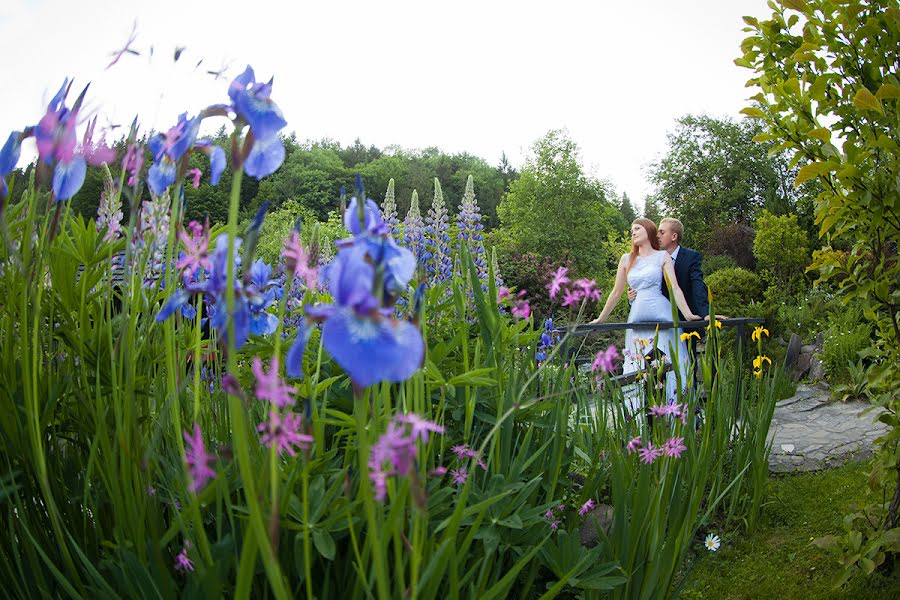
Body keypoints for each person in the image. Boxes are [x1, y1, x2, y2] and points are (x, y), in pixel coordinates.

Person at [590, 218, 701, 411]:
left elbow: (674, 288)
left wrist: (688, 314)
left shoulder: (662, 257)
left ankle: (673, 415)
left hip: (662, 316)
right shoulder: (626, 259)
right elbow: (616, 292)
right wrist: (601, 318)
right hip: (637, 320)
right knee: (637, 365)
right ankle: (638, 419)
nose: (632, 232)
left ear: (648, 231)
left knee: (669, 366)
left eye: (637, 229)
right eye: (632, 230)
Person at [628, 217, 711, 321]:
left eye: (662, 233)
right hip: (660, 318)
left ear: (674, 236)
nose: (657, 236)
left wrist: (706, 314)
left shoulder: (691, 257)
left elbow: (697, 285)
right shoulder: (652, 258)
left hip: (687, 319)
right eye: (657, 232)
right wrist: (632, 297)